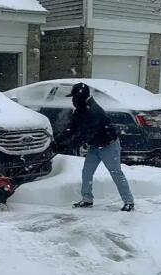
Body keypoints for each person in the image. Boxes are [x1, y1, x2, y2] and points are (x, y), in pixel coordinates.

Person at [56, 82, 135, 212]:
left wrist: (68, 145)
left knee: (116, 173)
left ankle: (129, 202)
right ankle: (87, 199)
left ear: (80, 97)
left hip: (109, 146)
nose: (72, 100)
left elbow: (85, 134)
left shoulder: (94, 111)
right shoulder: (81, 110)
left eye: (74, 97)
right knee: (87, 171)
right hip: (95, 145)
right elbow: (73, 128)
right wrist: (59, 140)